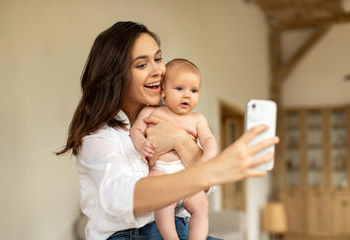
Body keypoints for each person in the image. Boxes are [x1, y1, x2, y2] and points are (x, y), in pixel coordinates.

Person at [56, 21, 279, 240]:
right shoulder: (99, 137)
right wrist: (215, 168)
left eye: (158, 59)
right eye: (142, 65)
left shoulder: (174, 119)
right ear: (116, 75)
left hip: (180, 227)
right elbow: (123, 196)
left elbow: (205, 185)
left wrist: (181, 141)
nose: (158, 71)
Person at [130, 58, 218, 240]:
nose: (187, 95)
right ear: (163, 90)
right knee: (163, 200)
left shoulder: (197, 119)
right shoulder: (151, 112)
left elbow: (209, 139)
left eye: (194, 90)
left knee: (201, 205)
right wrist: (141, 144)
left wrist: (207, 158)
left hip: (186, 176)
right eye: (179, 89)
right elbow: (135, 130)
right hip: (161, 170)